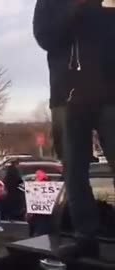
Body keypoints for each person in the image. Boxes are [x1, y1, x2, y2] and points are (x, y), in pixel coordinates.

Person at [33, 0, 115, 257]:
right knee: (74, 170)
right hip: (67, 96)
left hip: (109, 93)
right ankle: (85, 237)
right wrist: (75, 8)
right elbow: (45, 37)